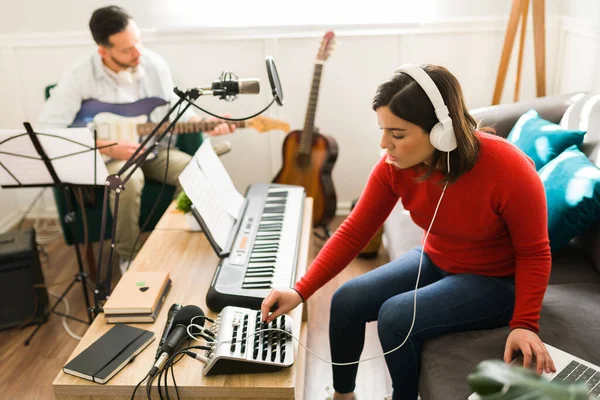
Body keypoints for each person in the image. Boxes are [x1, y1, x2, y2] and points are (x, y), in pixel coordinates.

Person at [261, 64, 557, 400]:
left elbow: (535, 253)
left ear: (440, 131)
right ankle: (343, 395)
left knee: (396, 316)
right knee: (346, 301)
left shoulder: (509, 169)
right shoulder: (394, 166)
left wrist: (525, 324)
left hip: (497, 282)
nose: (385, 144)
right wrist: (300, 291)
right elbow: (353, 231)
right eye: (383, 130)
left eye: (397, 134)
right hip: (436, 258)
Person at [38, 6, 235, 273]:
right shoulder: (77, 78)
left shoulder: (153, 64)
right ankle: (129, 259)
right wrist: (107, 146)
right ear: (103, 51)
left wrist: (206, 124)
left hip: (153, 149)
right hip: (109, 158)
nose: (137, 52)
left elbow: (176, 108)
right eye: (127, 49)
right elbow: (49, 128)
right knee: (128, 183)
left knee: (195, 172)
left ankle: (169, 247)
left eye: (138, 42)